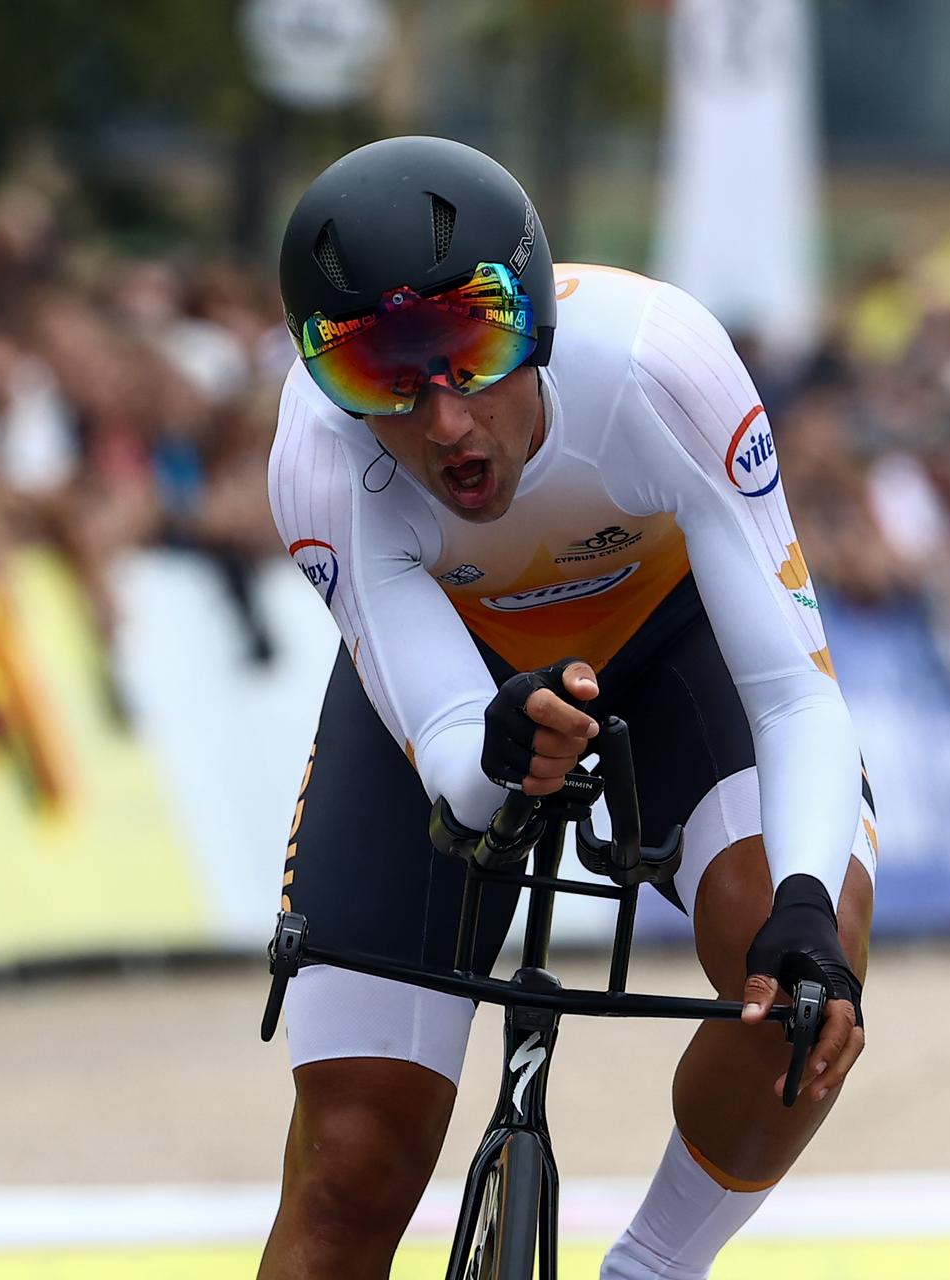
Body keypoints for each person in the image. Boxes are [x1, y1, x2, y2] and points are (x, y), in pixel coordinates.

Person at [257, 136, 876, 1280]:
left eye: (474, 353)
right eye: (380, 374)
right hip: (465, 683)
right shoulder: (318, 459)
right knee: (351, 1163)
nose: (443, 422)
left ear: (536, 319)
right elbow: (447, 748)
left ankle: (651, 1266)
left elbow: (793, 691)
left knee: (806, 973)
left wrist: (801, 904)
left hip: (671, 639)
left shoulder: (658, 363)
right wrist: (503, 746)